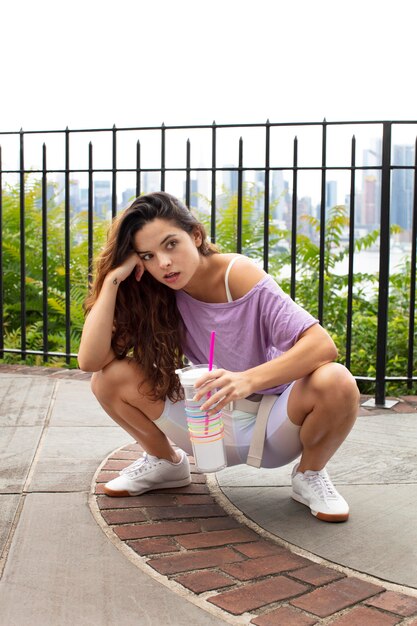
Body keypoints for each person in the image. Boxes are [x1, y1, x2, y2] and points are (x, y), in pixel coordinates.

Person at [78, 191, 359, 523]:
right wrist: (112, 280)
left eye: (171, 245)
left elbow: (322, 345)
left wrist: (246, 379)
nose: (164, 263)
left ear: (196, 235)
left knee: (337, 380)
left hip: (274, 423)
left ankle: (309, 475)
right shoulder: (157, 293)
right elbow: (90, 360)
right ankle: (166, 463)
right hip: (206, 423)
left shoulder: (237, 274)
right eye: (148, 256)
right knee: (108, 379)